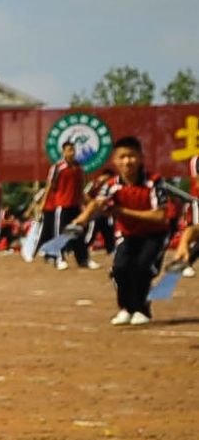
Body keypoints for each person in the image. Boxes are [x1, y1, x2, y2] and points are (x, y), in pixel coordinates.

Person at [74, 137, 174, 325]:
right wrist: (82, 219)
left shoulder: (154, 182)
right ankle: (126, 308)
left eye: (132, 156)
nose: (127, 161)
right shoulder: (111, 184)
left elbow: (160, 216)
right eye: (122, 157)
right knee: (120, 269)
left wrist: (122, 211)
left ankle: (141, 309)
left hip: (154, 235)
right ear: (115, 160)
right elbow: (98, 203)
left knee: (142, 267)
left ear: (141, 158)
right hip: (128, 234)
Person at [29, 149, 88, 268]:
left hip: (74, 205)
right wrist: (42, 204)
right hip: (58, 207)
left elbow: (80, 186)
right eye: (69, 150)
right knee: (53, 232)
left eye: (73, 150)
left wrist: (82, 202)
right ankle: (56, 257)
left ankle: (82, 259)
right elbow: (49, 186)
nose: (72, 153)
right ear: (63, 152)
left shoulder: (78, 168)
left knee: (76, 231)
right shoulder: (57, 168)